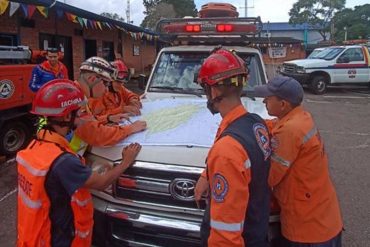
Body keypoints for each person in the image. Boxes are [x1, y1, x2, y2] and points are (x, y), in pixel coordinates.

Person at [17, 79, 141, 247]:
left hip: (34, 237)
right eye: (80, 112)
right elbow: (101, 182)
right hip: (58, 240)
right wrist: (125, 162)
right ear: (67, 116)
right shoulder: (63, 162)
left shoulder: (36, 145)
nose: (85, 117)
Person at [194, 47, 271, 247]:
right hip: (256, 229)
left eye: (205, 89)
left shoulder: (228, 150)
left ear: (214, 90)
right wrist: (207, 175)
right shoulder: (256, 123)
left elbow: (225, 237)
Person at [254, 76, 343, 247]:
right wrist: (251, 122)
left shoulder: (290, 131)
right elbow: (276, 125)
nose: (264, 100)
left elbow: (271, 177)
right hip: (324, 214)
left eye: (268, 97)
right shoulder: (301, 117)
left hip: (308, 228)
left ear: (283, 104)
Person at [69, 56, 147, 153]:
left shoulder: (75, 94)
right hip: (60, 161)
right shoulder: (74, 100)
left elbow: (90, 122)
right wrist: (130, 128)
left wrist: (109, 118)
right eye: (106, 84)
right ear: (92, 79)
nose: (106, 90)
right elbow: (98, 135)